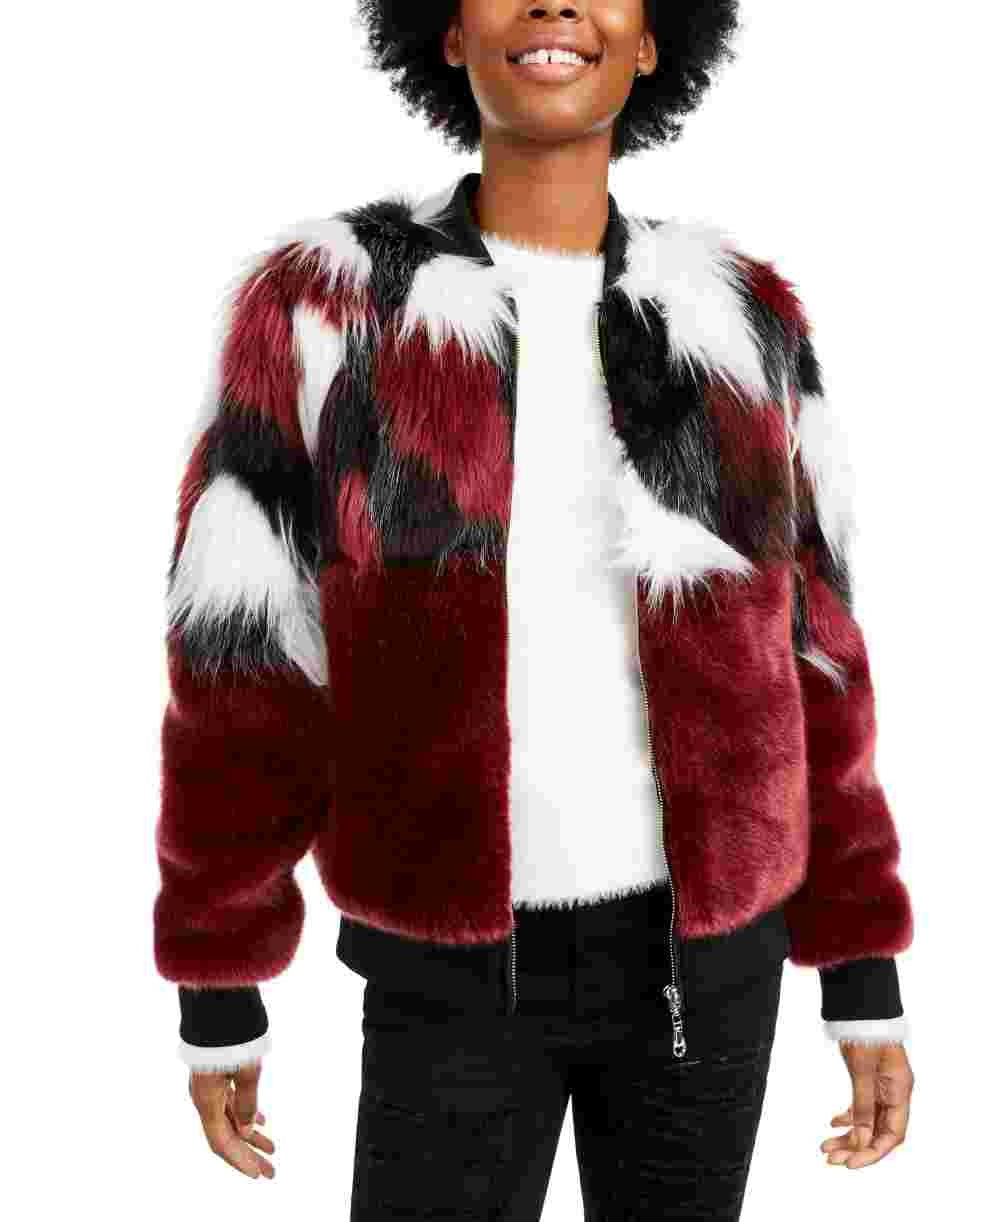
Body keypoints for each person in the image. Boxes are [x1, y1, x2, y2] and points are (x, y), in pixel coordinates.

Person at [153, 1, 916, 1213]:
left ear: (653, 37)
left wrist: (862, 967)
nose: (555, 3)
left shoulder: (737, 319)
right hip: (445, 969)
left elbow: (816, 653)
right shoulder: (333, 305)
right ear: (448, 31)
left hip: (707, 968)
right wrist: (218, 974)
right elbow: (239, 658)